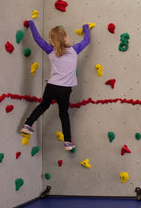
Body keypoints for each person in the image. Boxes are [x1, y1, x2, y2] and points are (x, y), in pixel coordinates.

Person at [20, 20, 91, 150]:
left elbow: (37, 38)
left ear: (52, 41)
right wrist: (85, 27)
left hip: (51, 87)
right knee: (63, 114)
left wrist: (31, 23)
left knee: (43, 106)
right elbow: (86, 41)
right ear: (65, 38)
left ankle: (27, 124)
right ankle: (68, 142)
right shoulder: (74, 50)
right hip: (64, 91)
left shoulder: (50, 50)